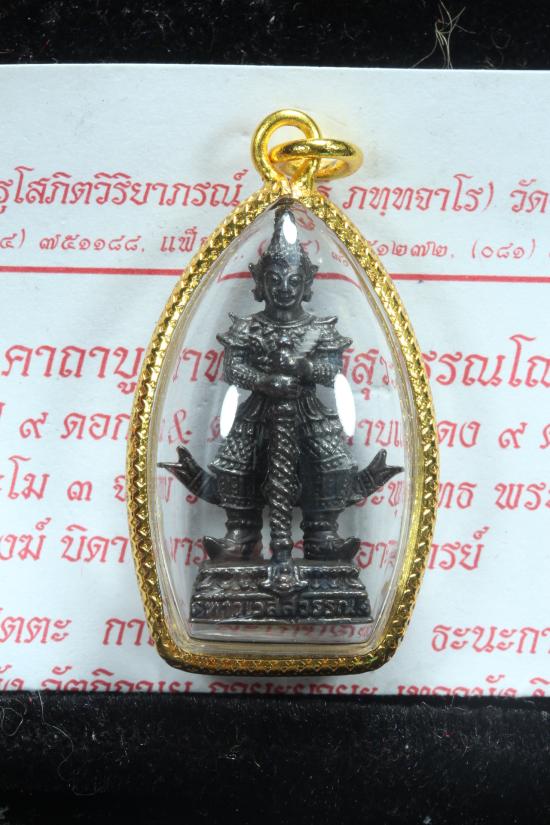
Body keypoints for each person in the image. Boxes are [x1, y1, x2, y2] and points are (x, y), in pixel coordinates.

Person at [205, 202, 359, 571]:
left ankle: (321, 533)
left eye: (293, 280)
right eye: (274, 280)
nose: (284, 288)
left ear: (307, 284)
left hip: (306, 410)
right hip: (258, 410)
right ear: (259, 284)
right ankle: (242, 534)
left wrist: (305, 366)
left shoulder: (319, 328)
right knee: (237, 463)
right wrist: (263, 381)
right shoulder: (247, 327)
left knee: (330, 462)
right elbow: (233, 369)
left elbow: (332, 371)